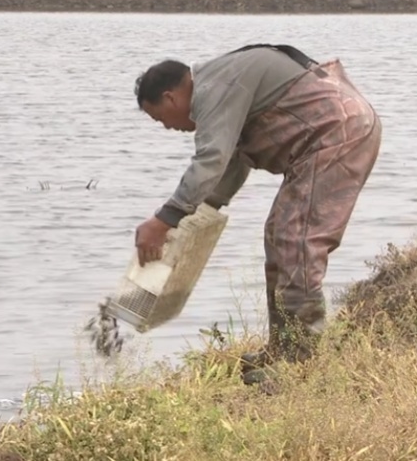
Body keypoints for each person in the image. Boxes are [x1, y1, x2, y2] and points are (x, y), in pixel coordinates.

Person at [132, 43, 382, 385]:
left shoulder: (213, 89)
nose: (166, 127)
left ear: (171, 97)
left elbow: (212, 160)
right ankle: (283, 349)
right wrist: (201, 210)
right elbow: (234, 159)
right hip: (323, 140)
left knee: (297, 241)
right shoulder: (219, 83)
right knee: (278, 235)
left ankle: (301, 363)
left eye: (159, 118)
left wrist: (163, 220)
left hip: (337, 135)